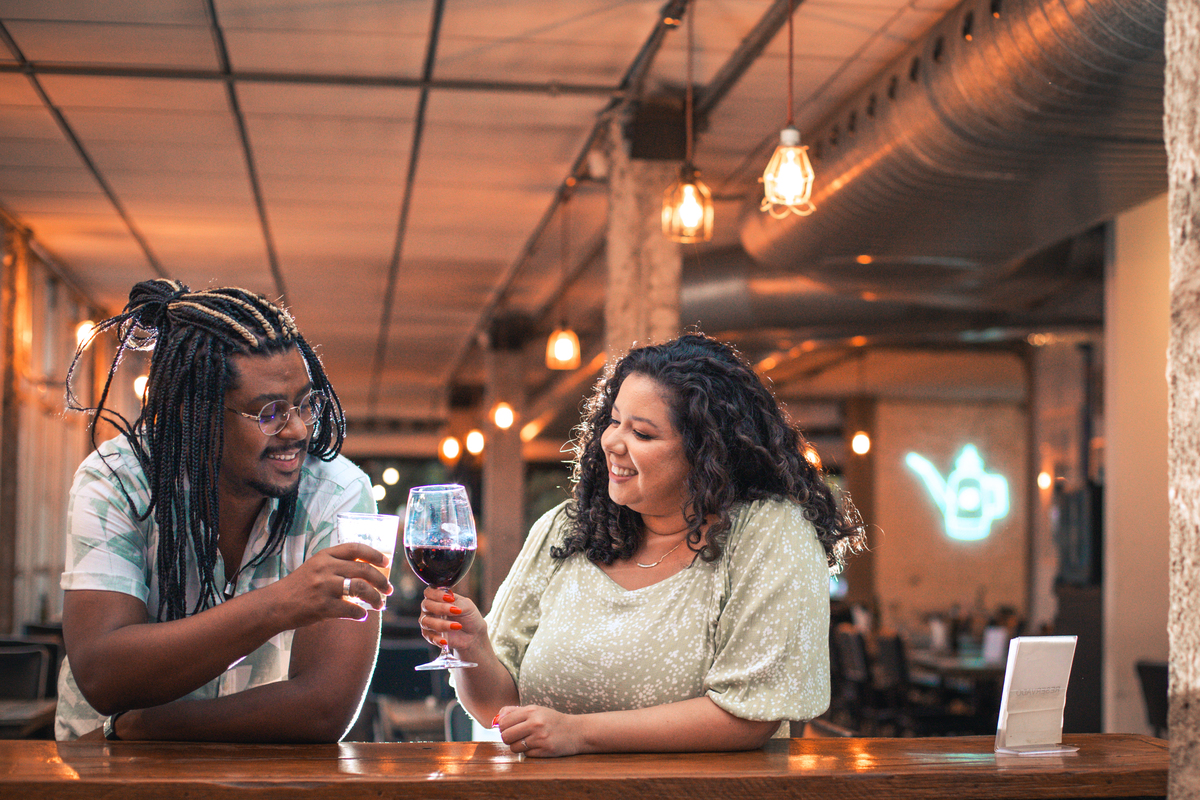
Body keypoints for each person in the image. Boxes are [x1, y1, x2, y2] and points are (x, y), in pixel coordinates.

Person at [419, 333, 865, 756]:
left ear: (708, 453)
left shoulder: (768, 532)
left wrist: (578, 734)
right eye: (614, 421)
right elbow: (500, 708)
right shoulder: (564, 531)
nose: (611, 441)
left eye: (643, 433)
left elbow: (750, 716)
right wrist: (471, 647)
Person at [55, 279, 391, 742]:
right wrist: (280, 604)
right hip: (106, 774)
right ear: (198, 414)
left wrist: (148, 725)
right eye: (269, 412)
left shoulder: (337, 495)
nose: (297, 430)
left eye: (305, 404)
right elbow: (102, 674)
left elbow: (325, 707)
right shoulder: (119, 479)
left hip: (250, 777)